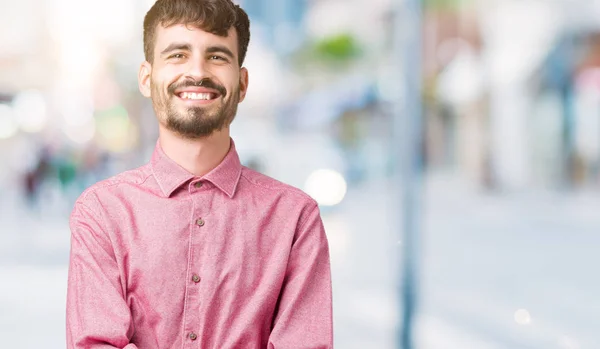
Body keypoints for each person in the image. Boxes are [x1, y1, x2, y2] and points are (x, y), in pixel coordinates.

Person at [66, 0, 333, 348]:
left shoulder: (296, 218)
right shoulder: (101, 212)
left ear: (242, 82)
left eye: (217, 56)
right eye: (177, 55)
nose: (197, 72)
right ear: (147, 78)